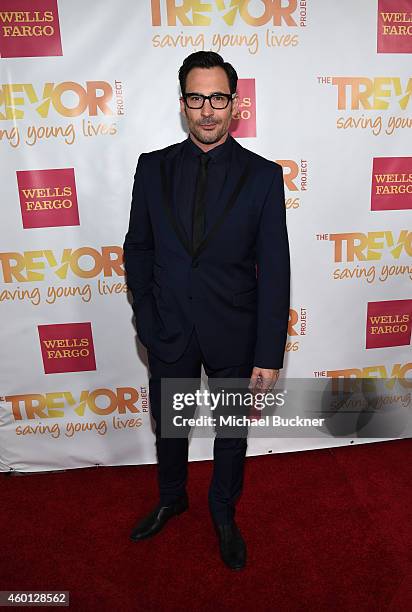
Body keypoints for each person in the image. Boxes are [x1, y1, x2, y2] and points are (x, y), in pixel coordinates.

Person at [123, 51, 290, 570]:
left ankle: (223, 510)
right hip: (169, 328)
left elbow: (275, 268)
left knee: (231, 431)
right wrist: (147, 321)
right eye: (197, 98)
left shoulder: (263, 176)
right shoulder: (152, 168)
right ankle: (172, 497)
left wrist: (269, 352)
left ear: (235, 104)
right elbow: (139, 249)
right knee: (170, 426)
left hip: (235, 331)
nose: (208, 109)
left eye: (218, 97)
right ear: (183, 104)